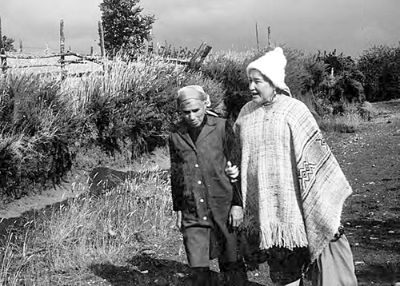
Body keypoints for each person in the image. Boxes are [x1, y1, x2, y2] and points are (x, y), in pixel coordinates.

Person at [229, 47, 358, 286]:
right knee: (280, 269)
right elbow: (237, 154)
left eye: (257, 81)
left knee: (299, 262)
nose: (251, 87)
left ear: (273, 82)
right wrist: (234, 170)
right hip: (264, 210)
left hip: (294, 208)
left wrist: (321, 202)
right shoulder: (245, 113)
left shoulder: (294, 111)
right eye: (250, 81)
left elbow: (317, 157)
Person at [168, 85, 247, 286]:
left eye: (196, 110)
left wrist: (237, 204)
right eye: (186, 112)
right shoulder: (176, 135)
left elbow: (235, 165)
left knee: (232, 263)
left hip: (223, 204)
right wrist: (177, 207)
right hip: (192, 206)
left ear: (205, 104)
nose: (192, 116)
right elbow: (176, 173)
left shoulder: (221, 127)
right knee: (198, 268)